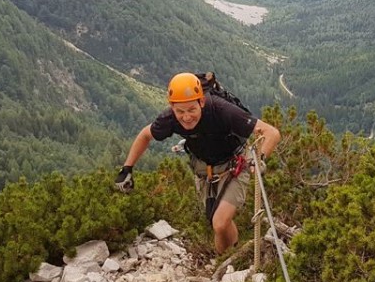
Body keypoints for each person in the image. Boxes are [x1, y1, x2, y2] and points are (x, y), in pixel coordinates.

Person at [115, 72, 281, 253]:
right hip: (204, 172)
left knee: (220, 222)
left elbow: (271, 132)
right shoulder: (170, 118)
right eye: (180, 111)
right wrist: (127, 168)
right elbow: (145, 135)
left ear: (201, 101)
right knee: (217, 223)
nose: (186, 117)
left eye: (191, 110)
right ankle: (230, 259)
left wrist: (260, 159)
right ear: (172, 107)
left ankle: (227, 262)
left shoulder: (222, 110)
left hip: (236, 164)